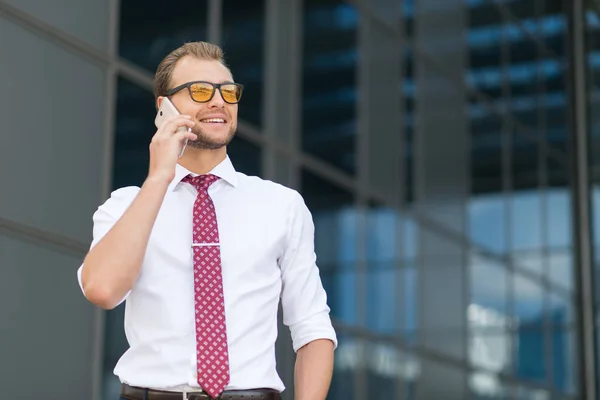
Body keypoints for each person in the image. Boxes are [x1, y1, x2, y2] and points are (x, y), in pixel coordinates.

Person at [77, 41, 337, 400]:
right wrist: (158, 178)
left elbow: (312, 329)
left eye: (228, 92)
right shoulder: (125, 205)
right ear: (164, 107)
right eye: (200, 90)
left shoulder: (281, 205)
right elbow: (103, 290)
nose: (218, 101)